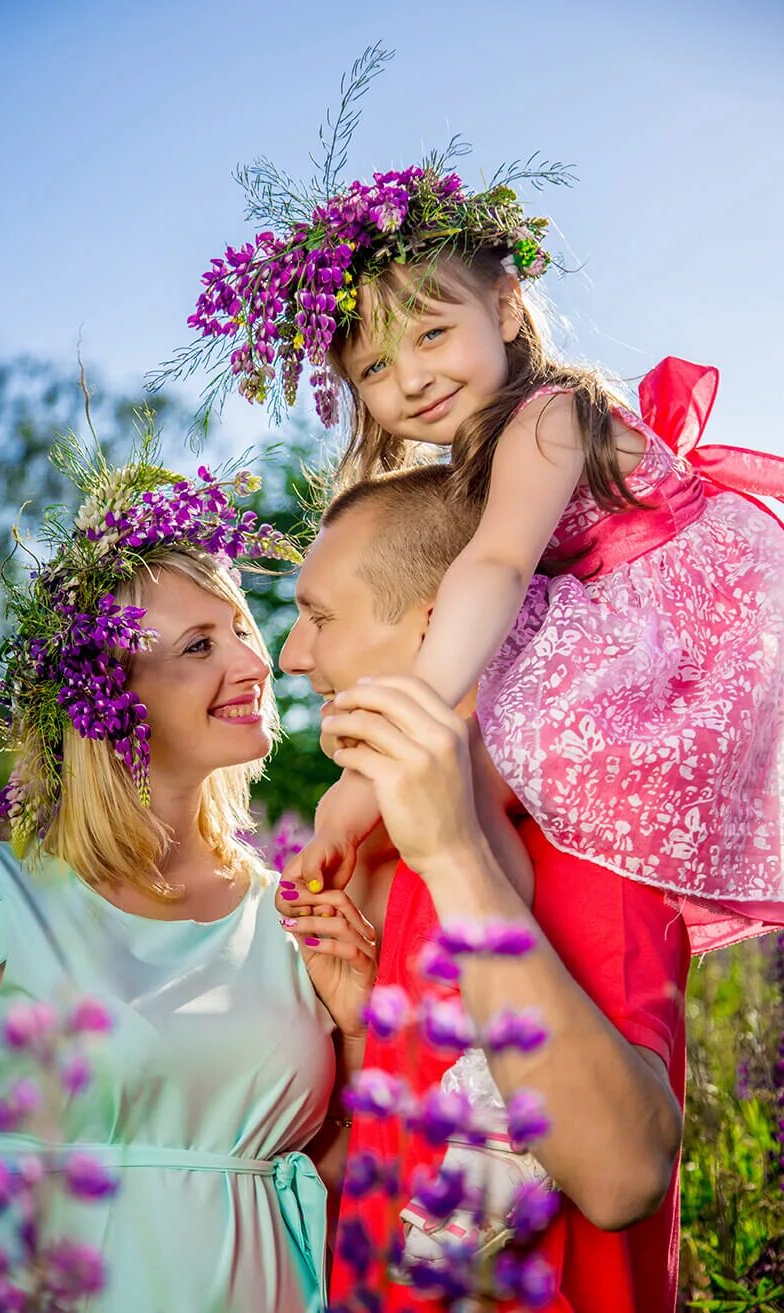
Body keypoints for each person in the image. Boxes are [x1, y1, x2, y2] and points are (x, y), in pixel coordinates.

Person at [180, 150, 784, 948]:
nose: (414, 377)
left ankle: (515, 944)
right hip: (636, 629)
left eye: (433, 332)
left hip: (715, 626)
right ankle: (454, 910)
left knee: (518, 729)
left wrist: (396, 734)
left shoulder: (547, 417)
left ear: (504, 308)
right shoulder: (480, 458)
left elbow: (495, 567)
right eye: (377, 366)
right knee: (494, 731)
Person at [0, 437, 375, 1313]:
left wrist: (358, 1027)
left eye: (241, 626)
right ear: (111, 691)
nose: (253, 661)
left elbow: (350, 1194)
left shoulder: (298, 918)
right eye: (199, 644)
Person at [277, 463, 701, 1312]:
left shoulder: (585, 840)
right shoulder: (386, 850)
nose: (292, 655)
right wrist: (364, 1034)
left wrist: (457, 856)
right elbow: (368, 1191)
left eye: (320, 616)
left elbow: (622, 1175)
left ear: (440, 628)